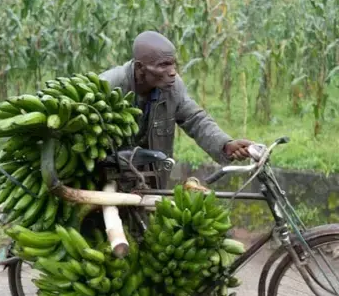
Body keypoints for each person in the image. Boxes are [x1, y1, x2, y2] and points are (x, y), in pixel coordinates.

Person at [98, 30, 252, 188]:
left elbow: (195, 119)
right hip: (107, 179)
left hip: (151, 178)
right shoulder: (107, 87)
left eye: (173, 63)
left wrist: (225, 145)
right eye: (163, 65)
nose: (172, 72)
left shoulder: (172, 87)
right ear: (140, 68)